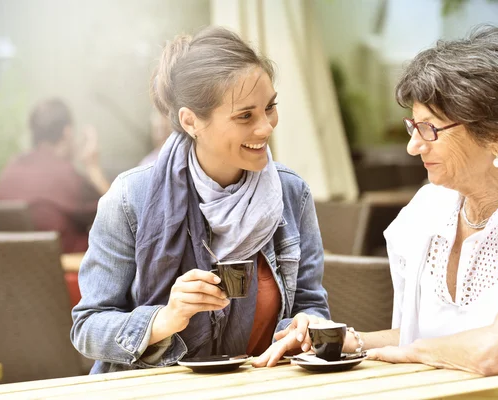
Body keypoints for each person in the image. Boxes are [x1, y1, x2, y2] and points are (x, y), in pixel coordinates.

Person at [339, 25, 498, 399]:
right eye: (412, 126)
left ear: (496, 135)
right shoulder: (427, 208)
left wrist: (411, 354)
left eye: (429, 128)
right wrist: (341, 340)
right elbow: (419, 338)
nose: (413, 146)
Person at [71, 26, 331, 374]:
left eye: (270, 107)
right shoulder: (131, 197)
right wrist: (165, 319)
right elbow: (86, 327)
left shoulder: (291, 192)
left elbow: (311, 306)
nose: (266, 127)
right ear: (191, 121)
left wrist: (305, 327)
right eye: (245, 116)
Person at [0, 98, 111, 253]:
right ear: (67, 132)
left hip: (12, 270)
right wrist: (93, 168)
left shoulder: (9, 170)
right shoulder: (68, 177)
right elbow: (117, 214)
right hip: (65, 271)